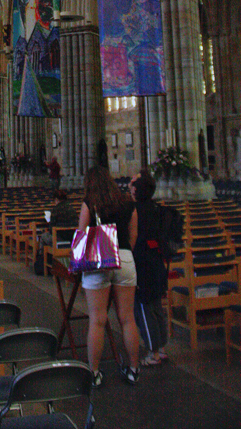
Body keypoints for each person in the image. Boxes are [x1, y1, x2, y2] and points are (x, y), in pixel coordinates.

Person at [79, 166, 140, 387]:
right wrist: (122, 254)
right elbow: (133, 235)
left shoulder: (90, 203)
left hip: (99, 259)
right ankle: (133, 368)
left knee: (97, 320)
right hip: (124, 258)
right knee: (127, 317)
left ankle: (94, 373)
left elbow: (82, 234)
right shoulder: (127, 203)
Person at [129, 169, 169, 366]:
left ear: (137, 190)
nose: (130, 185)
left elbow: (133, 238)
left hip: (142, 263)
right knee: (156, 306)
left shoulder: (135, 210)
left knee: (143, 308)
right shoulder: (155, 208)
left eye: (133, 184)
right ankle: (161, 348)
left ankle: (152, 352)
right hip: (156, 261)